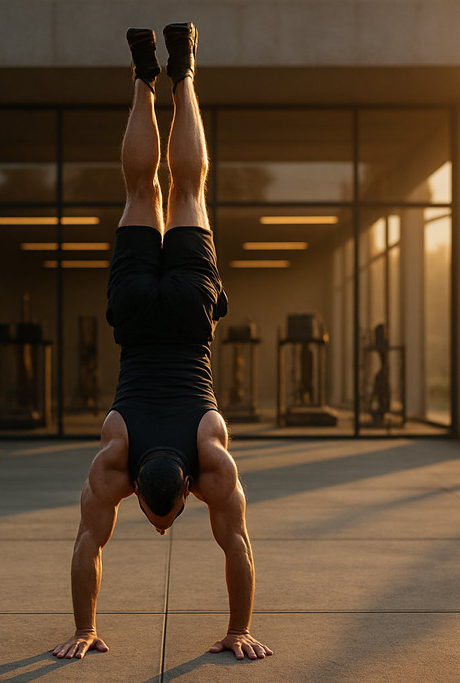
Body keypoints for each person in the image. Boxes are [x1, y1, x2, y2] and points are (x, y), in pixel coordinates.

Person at [51, 23, 273, 662]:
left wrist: (84, 628)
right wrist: (237, 631)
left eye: (160, 520)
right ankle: (150, 76)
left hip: (185, 317)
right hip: (139, 317)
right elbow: (238, 547)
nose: (164, 526)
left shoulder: (187, 452)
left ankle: (183, 71)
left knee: (185, 191)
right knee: (147, 191)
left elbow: (88, 546)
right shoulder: (128, 448)